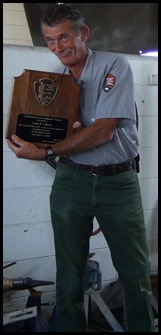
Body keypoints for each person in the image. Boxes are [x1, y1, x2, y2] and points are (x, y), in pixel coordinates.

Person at [7, 3, 155, 332]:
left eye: (64, 37)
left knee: (135, 273)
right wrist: (23, 140)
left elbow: (104, 129)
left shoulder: (113, 66)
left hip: (117, 183)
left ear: (83, 34)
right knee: (68, 276)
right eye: (50, 40)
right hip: (71, 181)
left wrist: (44, 151)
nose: (58, 47)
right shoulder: (55, 83)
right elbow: (50, 132)